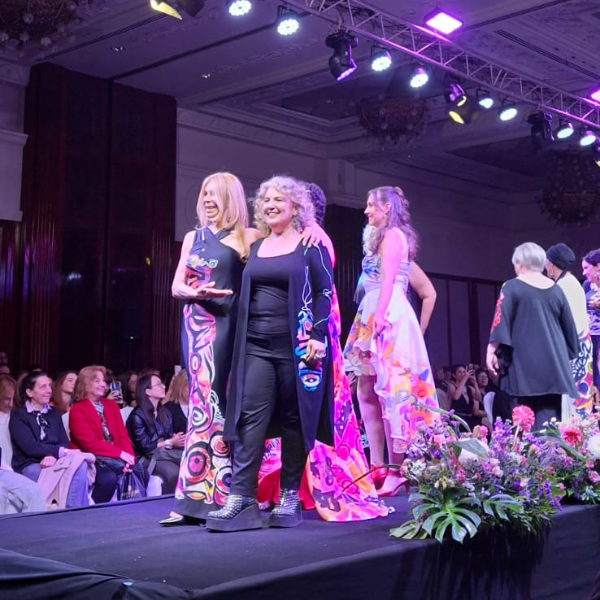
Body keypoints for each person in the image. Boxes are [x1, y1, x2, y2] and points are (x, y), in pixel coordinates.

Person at [162, 172, 324, 526]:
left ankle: (260, 494)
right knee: (224, 411)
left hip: (257, 333)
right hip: (218, 331)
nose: (207, 200)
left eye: (215, 194)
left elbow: (310, 274)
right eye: (204, 193)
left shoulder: (260, 238)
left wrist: (313, 227)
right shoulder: (211, 239)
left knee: (259, 412)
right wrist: (195, 293)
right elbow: (179, 284)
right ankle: (216, 496)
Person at [207, 175, 335, 532]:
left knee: (295, 417)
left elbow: (325, 292)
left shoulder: (310, 245)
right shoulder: (258, 245)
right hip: (256, 346)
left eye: (279, 199)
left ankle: (289, 495)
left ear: (296, 206)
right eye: (265, 200)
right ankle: (241, 498)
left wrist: (319, 335)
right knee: (250, 417)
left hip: (298, 347)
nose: (270, 205)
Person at [343, 186, 438, 497]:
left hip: (388, 312)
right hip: (372, 309)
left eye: (372, 205)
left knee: (392, 391)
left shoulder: (394, 235)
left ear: (387, 208)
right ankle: (377, 465)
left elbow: (389, 281)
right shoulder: (378, 238)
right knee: (366, 388)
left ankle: (397, 470)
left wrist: (381, 316)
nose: (366, 210)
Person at [487, 242, 579, 430]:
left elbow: (501, 320)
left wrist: (491, 351)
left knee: (523, 423)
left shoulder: (511, 287)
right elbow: (570, 331)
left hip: (522, 368)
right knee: (549, 426)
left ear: (519, 263)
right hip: (553, 369)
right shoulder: (556, 290)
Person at [9, 371, 92, 509]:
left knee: (80, 465)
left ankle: (73, 511)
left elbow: (63, 442)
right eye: (43, 387)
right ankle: (70, 512)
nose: (49, 390)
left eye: (49, 386)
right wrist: (56, 452)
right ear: (29, 392)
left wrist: (53, 456)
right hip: (30, 464)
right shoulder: (19, 415)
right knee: (64, 472)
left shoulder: (54, 413)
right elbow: (30, 447)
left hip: (55, 460)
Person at [69, 366, 143, 504]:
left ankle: (129, 511)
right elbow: (90, 444)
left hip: (117, 456)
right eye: (98, 381)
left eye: (104, 381)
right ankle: (94, 512)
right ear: (85, 383)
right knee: (108, 479)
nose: (103, 385)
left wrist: (128, 458)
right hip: (91, 459)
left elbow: (122, 435)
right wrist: (120, 454)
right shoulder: (77, 410)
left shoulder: (111, 405)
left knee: (139, 471)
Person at [545, 243, 594, 418]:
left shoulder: (563, 286)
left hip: (573, 346)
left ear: (552, 263)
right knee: (578, 399)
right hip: (582, 344)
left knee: (574, 402)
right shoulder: (572, 283)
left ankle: (576, 433)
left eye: (546, 262)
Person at [126, 374, 185, 494]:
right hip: (145, 457)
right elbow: (144, 447)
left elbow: (168, 436)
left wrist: (175, 439)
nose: (164, 386)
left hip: (164, 452)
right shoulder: (137, 416)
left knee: (188, 465)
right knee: (173, 472)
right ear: (148, 391)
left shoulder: (165, 412)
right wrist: (169, 442)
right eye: (159, 384)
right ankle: (168, 503)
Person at [582, 249, 600, 394]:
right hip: (590, 336)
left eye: (586, 268)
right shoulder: (587, 286)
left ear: (598, 266)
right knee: (593, 371)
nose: (584, 273)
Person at [447, 364, 484, 430]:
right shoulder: (452, 386)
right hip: (457, 419)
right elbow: (456, 397)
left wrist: (475, 383)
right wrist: (464, 380)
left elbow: (478, 398)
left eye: (464, 372)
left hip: (469, 419)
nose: (463, 374)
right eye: (459, 372)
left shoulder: (469, 388)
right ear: (454, 375)